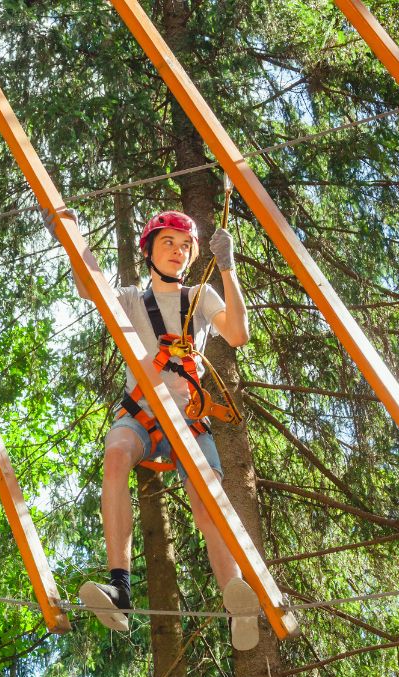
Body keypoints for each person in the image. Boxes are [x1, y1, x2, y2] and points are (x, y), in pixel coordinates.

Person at [79, 210, 261, 651]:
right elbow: (89, 287)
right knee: (117, 453)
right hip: (140, 411)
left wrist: (228, 267)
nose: (178, 253)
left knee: (205, 500)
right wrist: (74, 241)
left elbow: (237, 334)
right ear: (149, 250)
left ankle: (235, 598)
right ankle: (119, 587)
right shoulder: (128, 299)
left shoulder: (199, 296)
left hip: (187, 417)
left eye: (185, 247)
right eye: (169, 244)